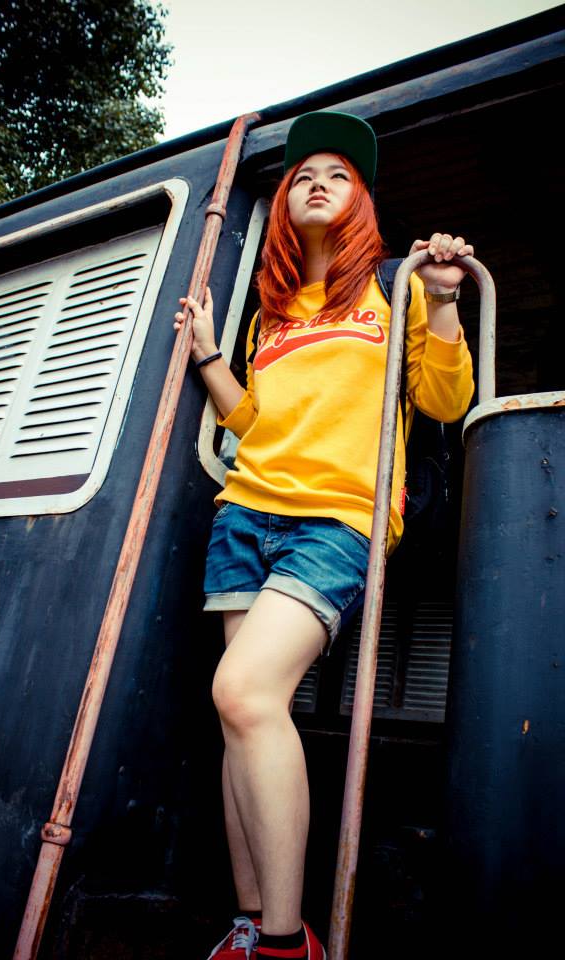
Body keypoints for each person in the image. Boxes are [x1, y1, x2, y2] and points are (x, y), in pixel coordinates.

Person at [174, 111, 474, 960]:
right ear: (285, 205)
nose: (317, 183)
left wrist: (444, 299)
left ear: (361, 203)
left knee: (244, 694)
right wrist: (209, 356)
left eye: (338, 175)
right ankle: (248, 922)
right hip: (244, 514)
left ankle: (285, 942)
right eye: (304, 175)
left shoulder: (392, 288)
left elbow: (444, 400)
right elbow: (251, 423)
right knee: (239, 715)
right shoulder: (271, 318)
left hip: (338, 518)